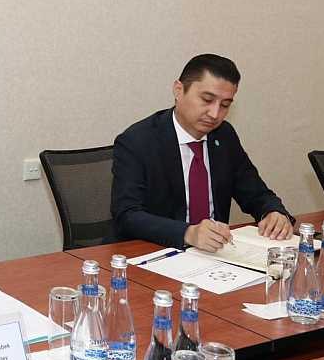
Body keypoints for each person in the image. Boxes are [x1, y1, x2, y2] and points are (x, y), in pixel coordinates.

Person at [111, 54, 294, 252]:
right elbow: (127, 215)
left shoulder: (224, 135)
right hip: (156, 253)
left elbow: (256, 193)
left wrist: (273, 212)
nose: (215, 114)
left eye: (225, 105)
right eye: (207, 100)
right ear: (179, 90)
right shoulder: (137, 141)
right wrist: (187, 233)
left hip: (214, 255)